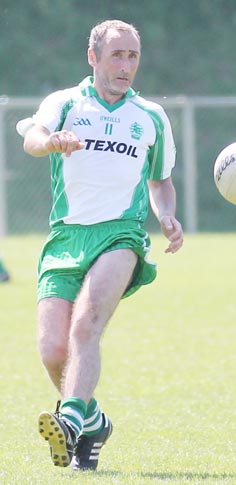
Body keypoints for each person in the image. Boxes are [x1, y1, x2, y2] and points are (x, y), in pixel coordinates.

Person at [16, 19, 184, 470]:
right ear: (93, 58)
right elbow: (31, 138)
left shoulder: (150, 115)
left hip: (121, 234)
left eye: (132, 55)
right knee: (53, 350)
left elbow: (160, 180)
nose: (126, 65)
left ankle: (68, 423)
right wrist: (49, 141)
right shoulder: (66, 103)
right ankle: (93, 423)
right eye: (117, 55)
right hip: (67, 236)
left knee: (85, 327)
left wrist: (166, 213)